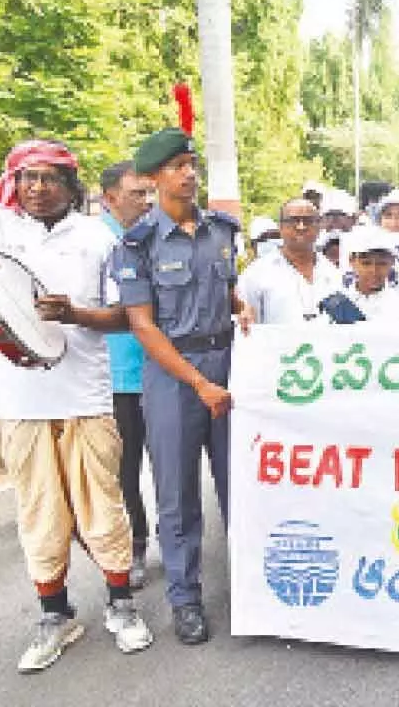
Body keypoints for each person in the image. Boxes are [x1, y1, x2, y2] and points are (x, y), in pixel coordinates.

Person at [0, 140, 152, 671]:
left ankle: (121, 606)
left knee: (102, 506)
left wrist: (75, 315)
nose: (38, 189)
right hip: (17, 399)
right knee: (40, 511)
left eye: (51, 179)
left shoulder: (96, 237)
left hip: (85, 393)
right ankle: (55, 615)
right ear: (14, 182)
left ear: (71, 185)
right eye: (28, 178)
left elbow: (125, 315)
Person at [115, 127, 253, 645]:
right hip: (176, 378)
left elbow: (227, 287)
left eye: (192, 163)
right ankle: (186, 599)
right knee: (177, 493)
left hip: (229, 366)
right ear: (153, 178)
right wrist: (198, 381)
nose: (189, 173)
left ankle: (251, 586)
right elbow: (144, 326)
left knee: (239, 482)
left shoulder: (222, 230)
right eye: (176, 166)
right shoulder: (138, 243)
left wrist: (242, 307)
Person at [98, 161, 154, 590]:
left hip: (164, 370)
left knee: (175, 466)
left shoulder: (155, 237)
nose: (147, 201)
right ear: (110, 198)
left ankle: (179, 546)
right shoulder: (95, 242)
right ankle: (135, 548)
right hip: (116, 380)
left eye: (150, 192)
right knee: (126, 471)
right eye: (138, 193)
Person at [238, 197, 345, 323]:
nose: (301, 227)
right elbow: (248, 326)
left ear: (319, 226)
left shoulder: (334, 273)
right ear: (280, 227)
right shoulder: (257, 274)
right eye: (293, 221)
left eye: (308, 221)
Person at [346, 229, 399, 321]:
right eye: (366, 263)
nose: (374, 270)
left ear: (392, 262)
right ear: (352, 261)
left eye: (382, 263)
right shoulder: (336, 302)